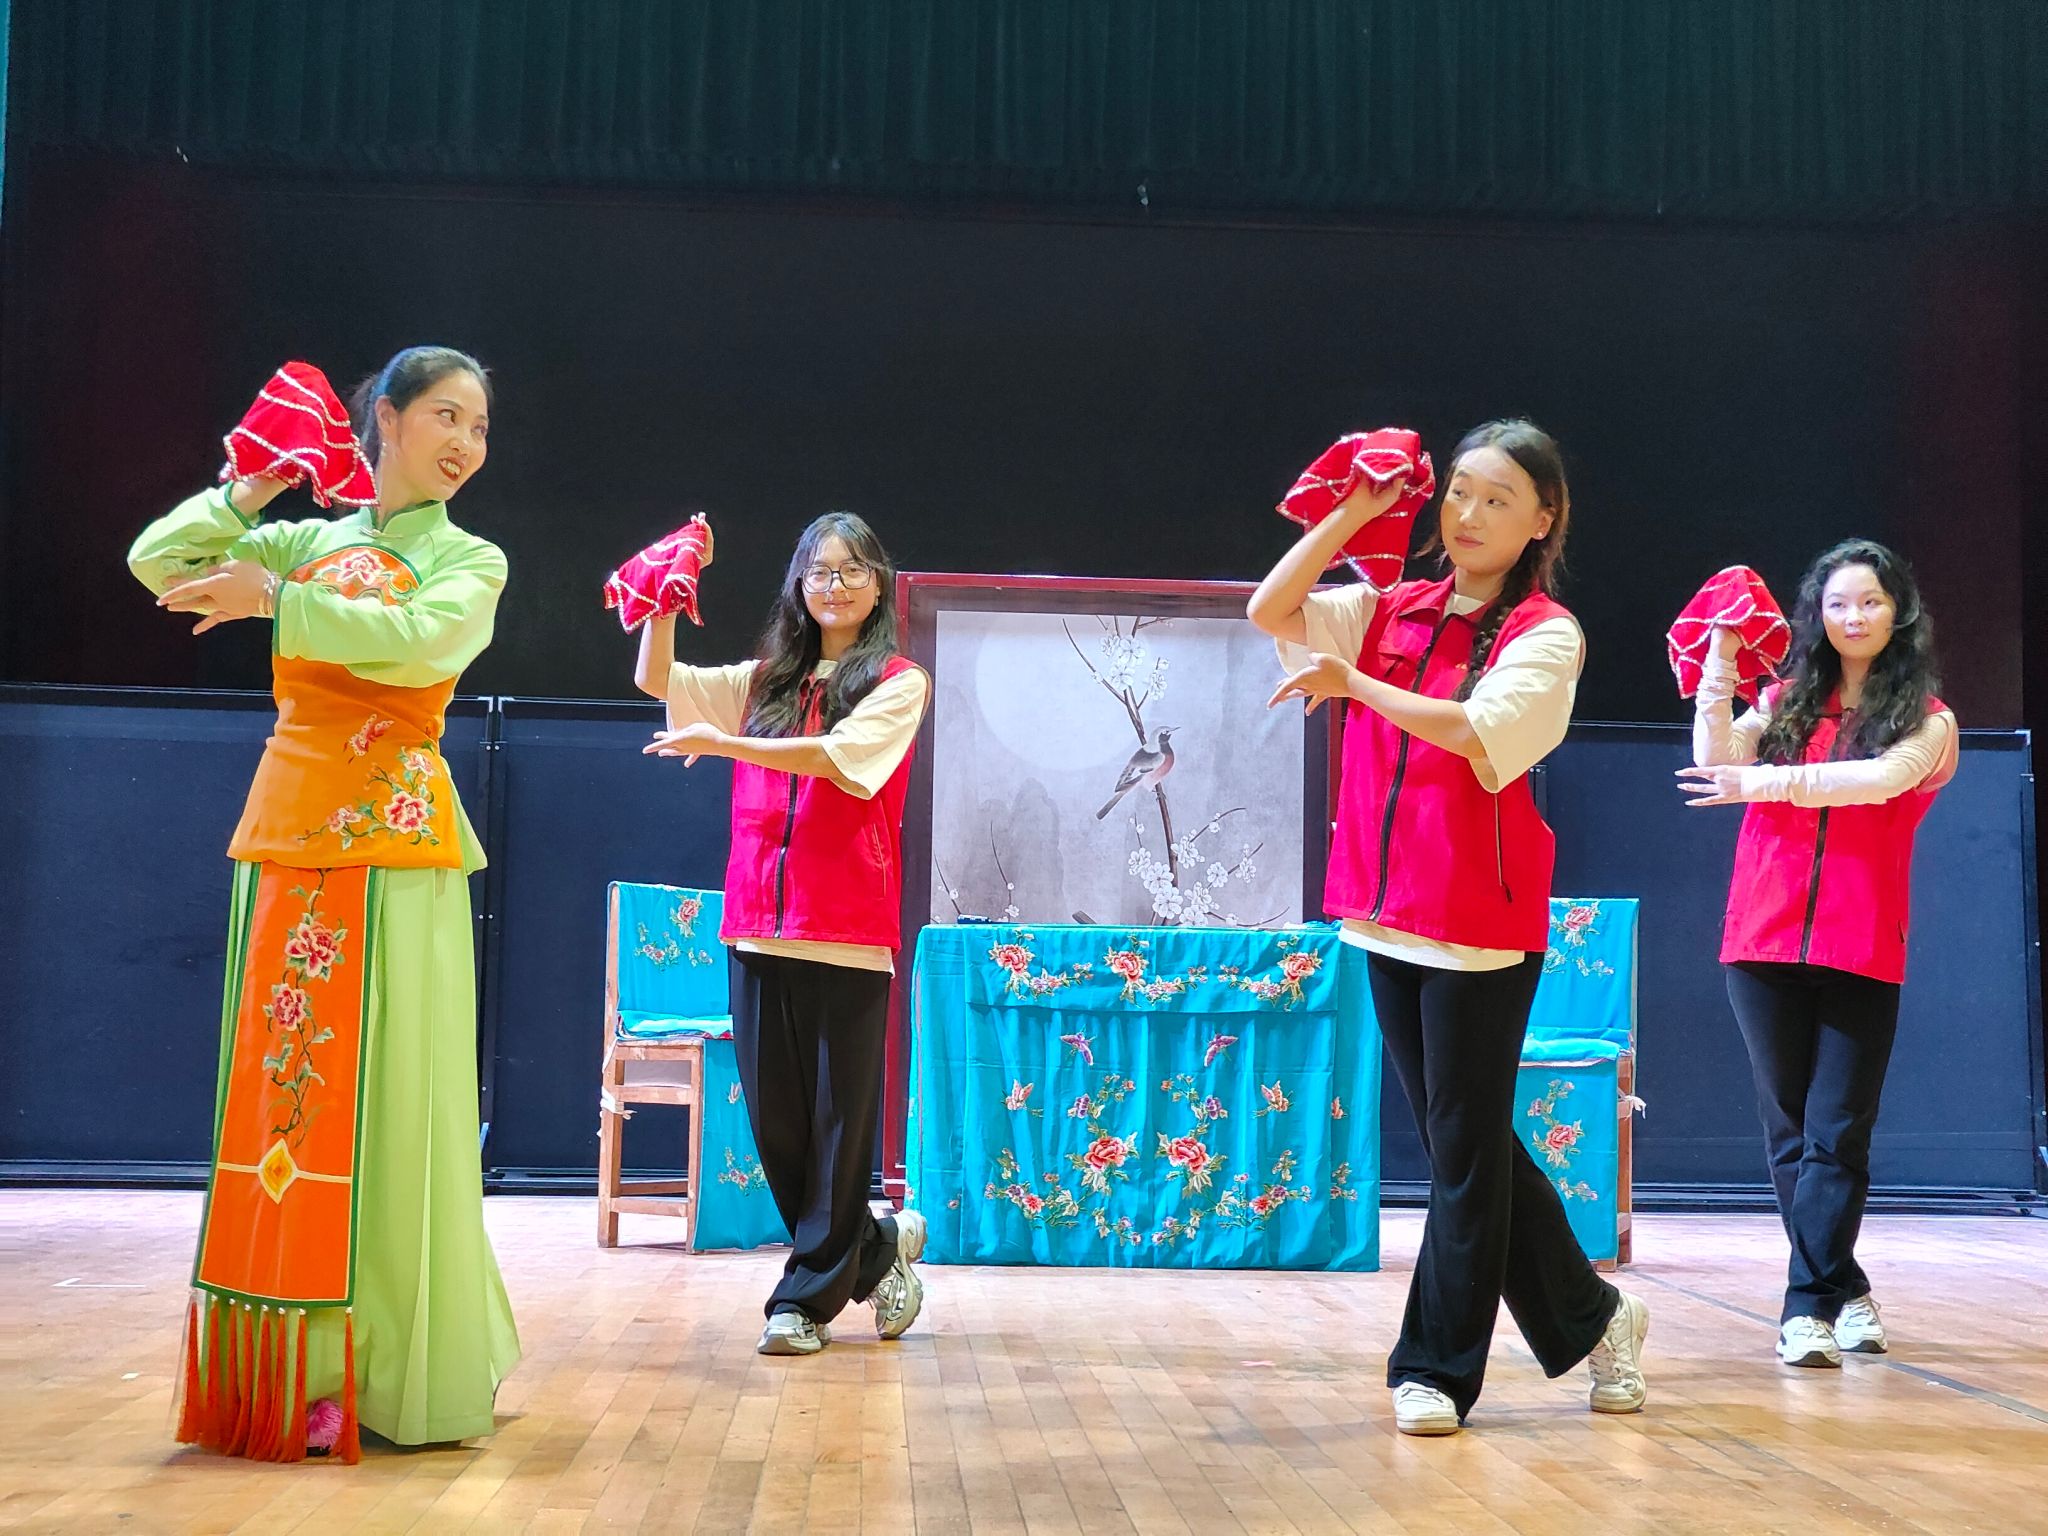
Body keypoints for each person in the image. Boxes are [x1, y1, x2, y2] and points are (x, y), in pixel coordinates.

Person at [129, 346, 519, 1460]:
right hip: (289, 834)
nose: (465, 442)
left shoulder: (470, 558)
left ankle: (393, 1367)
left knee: (396, 1107)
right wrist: (254, 485)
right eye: (445, 415)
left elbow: (423, 643)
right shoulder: (306, 540)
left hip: (397, 844)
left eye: (479, 426)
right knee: (288, 1108)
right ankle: (297, 1368)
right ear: (384, 420)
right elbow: (158, 560)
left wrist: (275, 601)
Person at [1248, 419, 1648, 1435]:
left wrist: (1353, 685)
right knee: (1465, 1144)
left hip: (1477, 922)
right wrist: (1355, 509)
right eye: (1459, 491)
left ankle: (1434, 1369)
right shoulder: (1392, 605)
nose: (1468, 514)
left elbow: (1477, 733)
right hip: (1386, 914)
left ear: (1542, 520)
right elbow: (1270, 608)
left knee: (1463, 1152)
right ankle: (1598, 1317)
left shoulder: (1544, 634)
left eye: (1498, 499)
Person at [629, 512, 932, 1355]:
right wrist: (664, 597)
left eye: (852, 570)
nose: (835, 585)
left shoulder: (898, 681)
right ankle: (875, 1250)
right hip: (758, 925)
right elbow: (657, 677)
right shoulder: (765, 679)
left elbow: (839, 759)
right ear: (799, 585)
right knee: (780, 1131)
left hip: (845, 930)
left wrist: (728, 744)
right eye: (819, 572)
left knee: (838, 1128)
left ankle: (801, 1302)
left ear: (879, 584)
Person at [1679, 539, 1956, 1367]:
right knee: (1791, 1133)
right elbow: (1714, 760)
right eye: (1838, 604)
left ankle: (1805, 1308)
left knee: (1838, 1131)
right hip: (1761, 933)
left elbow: (1875, 781)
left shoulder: (1930, 721)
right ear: (1818, 615)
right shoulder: (1785, 700)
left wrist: (1762, 784)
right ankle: (1844, 1285)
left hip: (1861, 939)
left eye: (1870, 601)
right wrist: (1721, 654)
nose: (1853, 617)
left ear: (1899, 611)